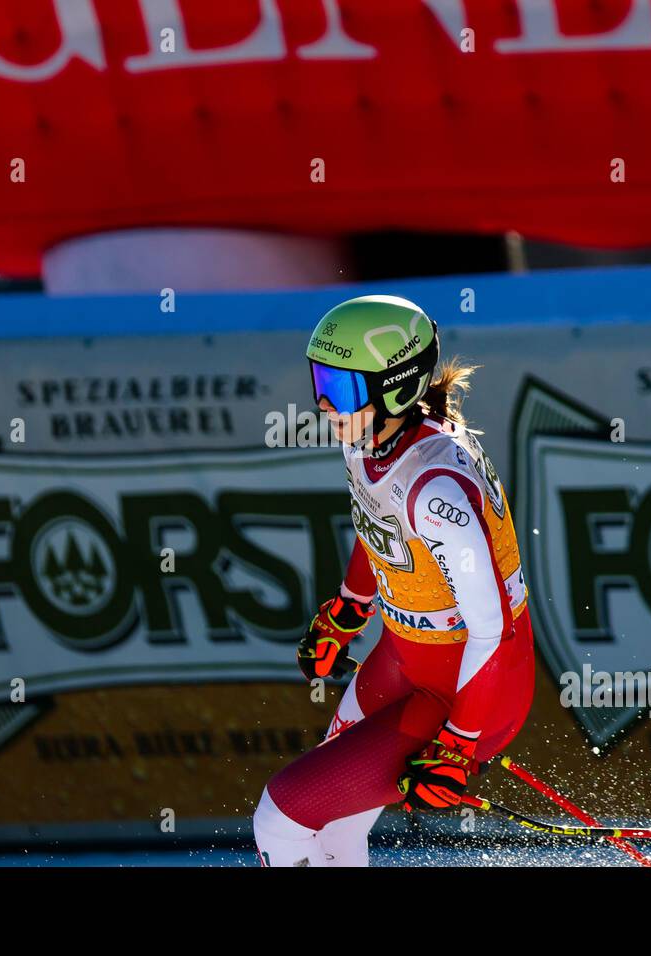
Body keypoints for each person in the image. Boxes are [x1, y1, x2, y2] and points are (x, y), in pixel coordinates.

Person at [252, 294, 536, 866]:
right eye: (321, 380)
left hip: (469, 688)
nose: (327, 404)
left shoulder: (436, 490)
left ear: (397, 388)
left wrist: (457, 744)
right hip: (404, 658)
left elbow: (494, 631)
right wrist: (349, 611)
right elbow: (378, 523)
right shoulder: (373, 439)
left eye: (344, 387)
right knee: (330, 833)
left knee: (281, 819)